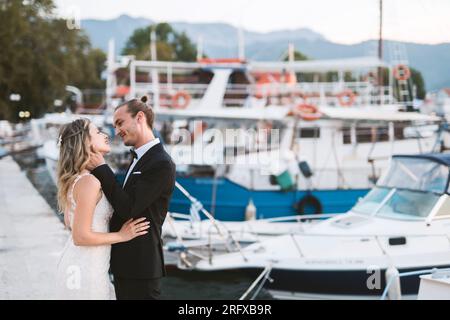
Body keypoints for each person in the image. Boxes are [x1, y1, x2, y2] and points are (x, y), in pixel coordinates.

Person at [88, 96, 176, 300]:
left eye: (120, 123)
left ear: (140, 118)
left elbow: (129, 208)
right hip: (124, 264)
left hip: (141, 266)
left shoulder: (161, 163)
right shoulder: (138, 157)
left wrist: (102, 169)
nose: (117, 131)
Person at [55, 118, 150, 300]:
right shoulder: (89, 182)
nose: (105, 135)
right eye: (97, 132)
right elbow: (80, 236)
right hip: (84, 271)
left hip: (87, 265)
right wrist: (122, 236)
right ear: (85, 142)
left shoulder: (79, 179)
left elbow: (70, 222)